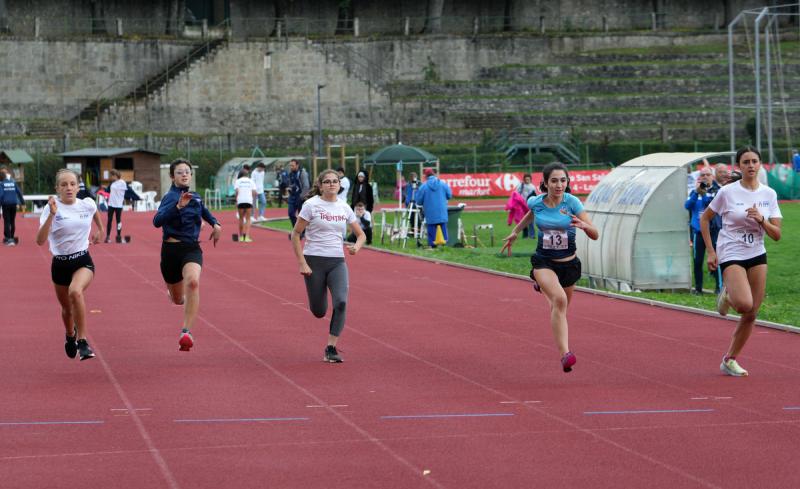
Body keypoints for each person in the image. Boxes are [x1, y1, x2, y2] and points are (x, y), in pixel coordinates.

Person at [502, 162, 599, 373]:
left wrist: (584, 226)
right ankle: (565, 354)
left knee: (560, 310)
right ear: (545, 183)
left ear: (567, 182)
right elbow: (531, 213)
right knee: (560, 300)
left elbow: (595, 234)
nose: (559, 185)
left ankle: (543, 288)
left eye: (563, 180)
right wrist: (516, 232)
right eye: (554, 181)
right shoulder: (536, 201)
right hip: (544, 262)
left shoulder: (572, 203)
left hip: (569, 264)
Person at [700, 147, 782, 377]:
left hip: (757, 252)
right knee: (744, 304)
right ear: (739, 166)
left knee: (752, 313)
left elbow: (777, 235)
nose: (751, 165)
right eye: (746, 161)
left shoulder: (769, 194)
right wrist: (710, 251)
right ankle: (727, 294)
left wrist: (762, 219)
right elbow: (705, 219)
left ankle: (729, 359)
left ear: (760, 164)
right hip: (731, 251)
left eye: (755, 161)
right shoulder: (728, 192)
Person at [291, 169, 365, 363]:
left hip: (337, 261)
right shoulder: (311, 205)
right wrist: (302, 262)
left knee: (341, 302)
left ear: (340, 185)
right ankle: (319, 310)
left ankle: (331, 348)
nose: (332, 184)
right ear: (321, 185)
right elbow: (296, 234)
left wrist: (356, 247)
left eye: (335, 181)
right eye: (328, 181)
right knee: (319, 311)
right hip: (314, 260)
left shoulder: (344, 207)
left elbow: (361, 234)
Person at [153, 159, 222, 351]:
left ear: (191, 175)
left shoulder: (196, 197)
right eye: (179, 172)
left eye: (187, 172)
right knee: (177, 299)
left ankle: (186, 331)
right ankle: (176, 296)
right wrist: (177, 208)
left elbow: (206, 213)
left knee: (192, 282)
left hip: (191, 249)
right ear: (172, 177)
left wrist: (216, 224)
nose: (184, 175)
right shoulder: (169, 198)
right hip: (170, 251)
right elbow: (156, 222)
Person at [36, 169, 104, 361]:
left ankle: (83, 342)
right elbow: (40, 241)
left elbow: (95, 213)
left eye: (72, 184)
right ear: (57, 188)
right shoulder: (51, 208)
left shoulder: (87, 204)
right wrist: (51, 215)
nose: (69, 188)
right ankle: (70, 335)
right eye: (64, 185)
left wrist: (100, 229)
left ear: (78, 186)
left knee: (76, 291)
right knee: (67, 310)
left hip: (83, 261)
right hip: (60, 264)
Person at [684, 167, 721, 295]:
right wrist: (696, 193)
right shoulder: (695, 192)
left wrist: (703, 193)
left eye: (707, 174)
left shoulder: (716, 191)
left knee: (716, 259)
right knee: (697, 261)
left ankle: (719, 287)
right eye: (702, 175)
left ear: (713, 177)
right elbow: (687, 206)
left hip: (713, 232)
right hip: (698, 232)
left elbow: (710, 205)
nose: (705, 177)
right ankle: (698, 288)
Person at [415, 168, 452, 248]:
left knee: (431, 230)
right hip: (442, 212)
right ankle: (444, 245)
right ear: (434, 174)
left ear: (425, 176)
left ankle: (432, 245)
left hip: (430, 213)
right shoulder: (443, 184)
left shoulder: (423, 186)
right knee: (443, 228)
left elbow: (418, 201)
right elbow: (449, 195)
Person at [1, 168, 24, 246]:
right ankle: (12, 236)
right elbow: (19, 193)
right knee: (12, 221)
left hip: (6, 204)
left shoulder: (2, 184)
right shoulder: (13, 183)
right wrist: (23, 202)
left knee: (6, 221)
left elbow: (1, 195)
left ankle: (8, 238)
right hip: (14, 204)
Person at [234, 169, 257, 242]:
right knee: (248, 219)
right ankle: (246, 236)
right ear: (247, 175)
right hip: (248, 201)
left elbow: (237, 191)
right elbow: (254, 192)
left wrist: (236, 200)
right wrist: (252, 199)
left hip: (240, 200)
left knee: (241, 218)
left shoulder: (238, 181)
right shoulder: (251, 181)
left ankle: (241, 236)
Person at [104, 169, 127, 243]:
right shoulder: (112, 183)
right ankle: (107, 237)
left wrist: (136, 197)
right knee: (109, 220)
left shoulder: (122, 182)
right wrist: (105, 188)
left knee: (118, 221)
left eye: (112, 175)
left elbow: (127, 191)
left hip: (118, 205)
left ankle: (118, 236)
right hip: (111, 204)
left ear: (115, 175)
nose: (111, 177)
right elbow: (108, 191)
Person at [287, 159, 310, 232]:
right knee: (291, 214)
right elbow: (291, 184)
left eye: (292, 166)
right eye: (290, 165)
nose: (291, 167)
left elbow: (306, 186)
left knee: (301, 216)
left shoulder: (302, 173)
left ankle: (301, 231)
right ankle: (296, 230)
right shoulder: (290, 174)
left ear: (297, 165)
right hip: (292, 197)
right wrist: (290, 188)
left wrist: (301, 197)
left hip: (300, 197)